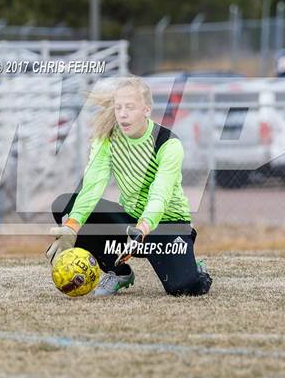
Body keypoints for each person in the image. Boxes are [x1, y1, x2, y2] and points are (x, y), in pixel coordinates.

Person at [46, 76, 212, 297]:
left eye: (130, 108)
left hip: (166, 224)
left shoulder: (168, 143)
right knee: (65, 204)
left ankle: (195, 268)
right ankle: (119, 272)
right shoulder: (107, 138)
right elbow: (93, 184)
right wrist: (73, 226)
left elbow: (160, 192)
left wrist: (143, 227)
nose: (122, 114)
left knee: (185, 288)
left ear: (146, 110)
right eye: (119, 107)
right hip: (129, 222)